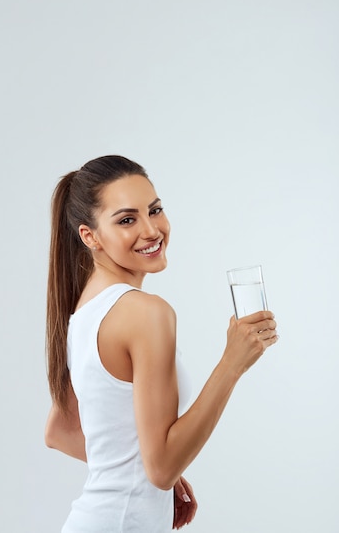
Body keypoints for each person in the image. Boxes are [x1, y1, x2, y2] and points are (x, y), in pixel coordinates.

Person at [44, 155, 278, 532]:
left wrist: (138, 472)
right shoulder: (145, 312)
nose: (152, 230)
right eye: (126, 220)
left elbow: (60, 431)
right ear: (90, 236)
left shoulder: (84, 311)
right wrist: (232, 362)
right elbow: (162, 468)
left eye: (154, 210)